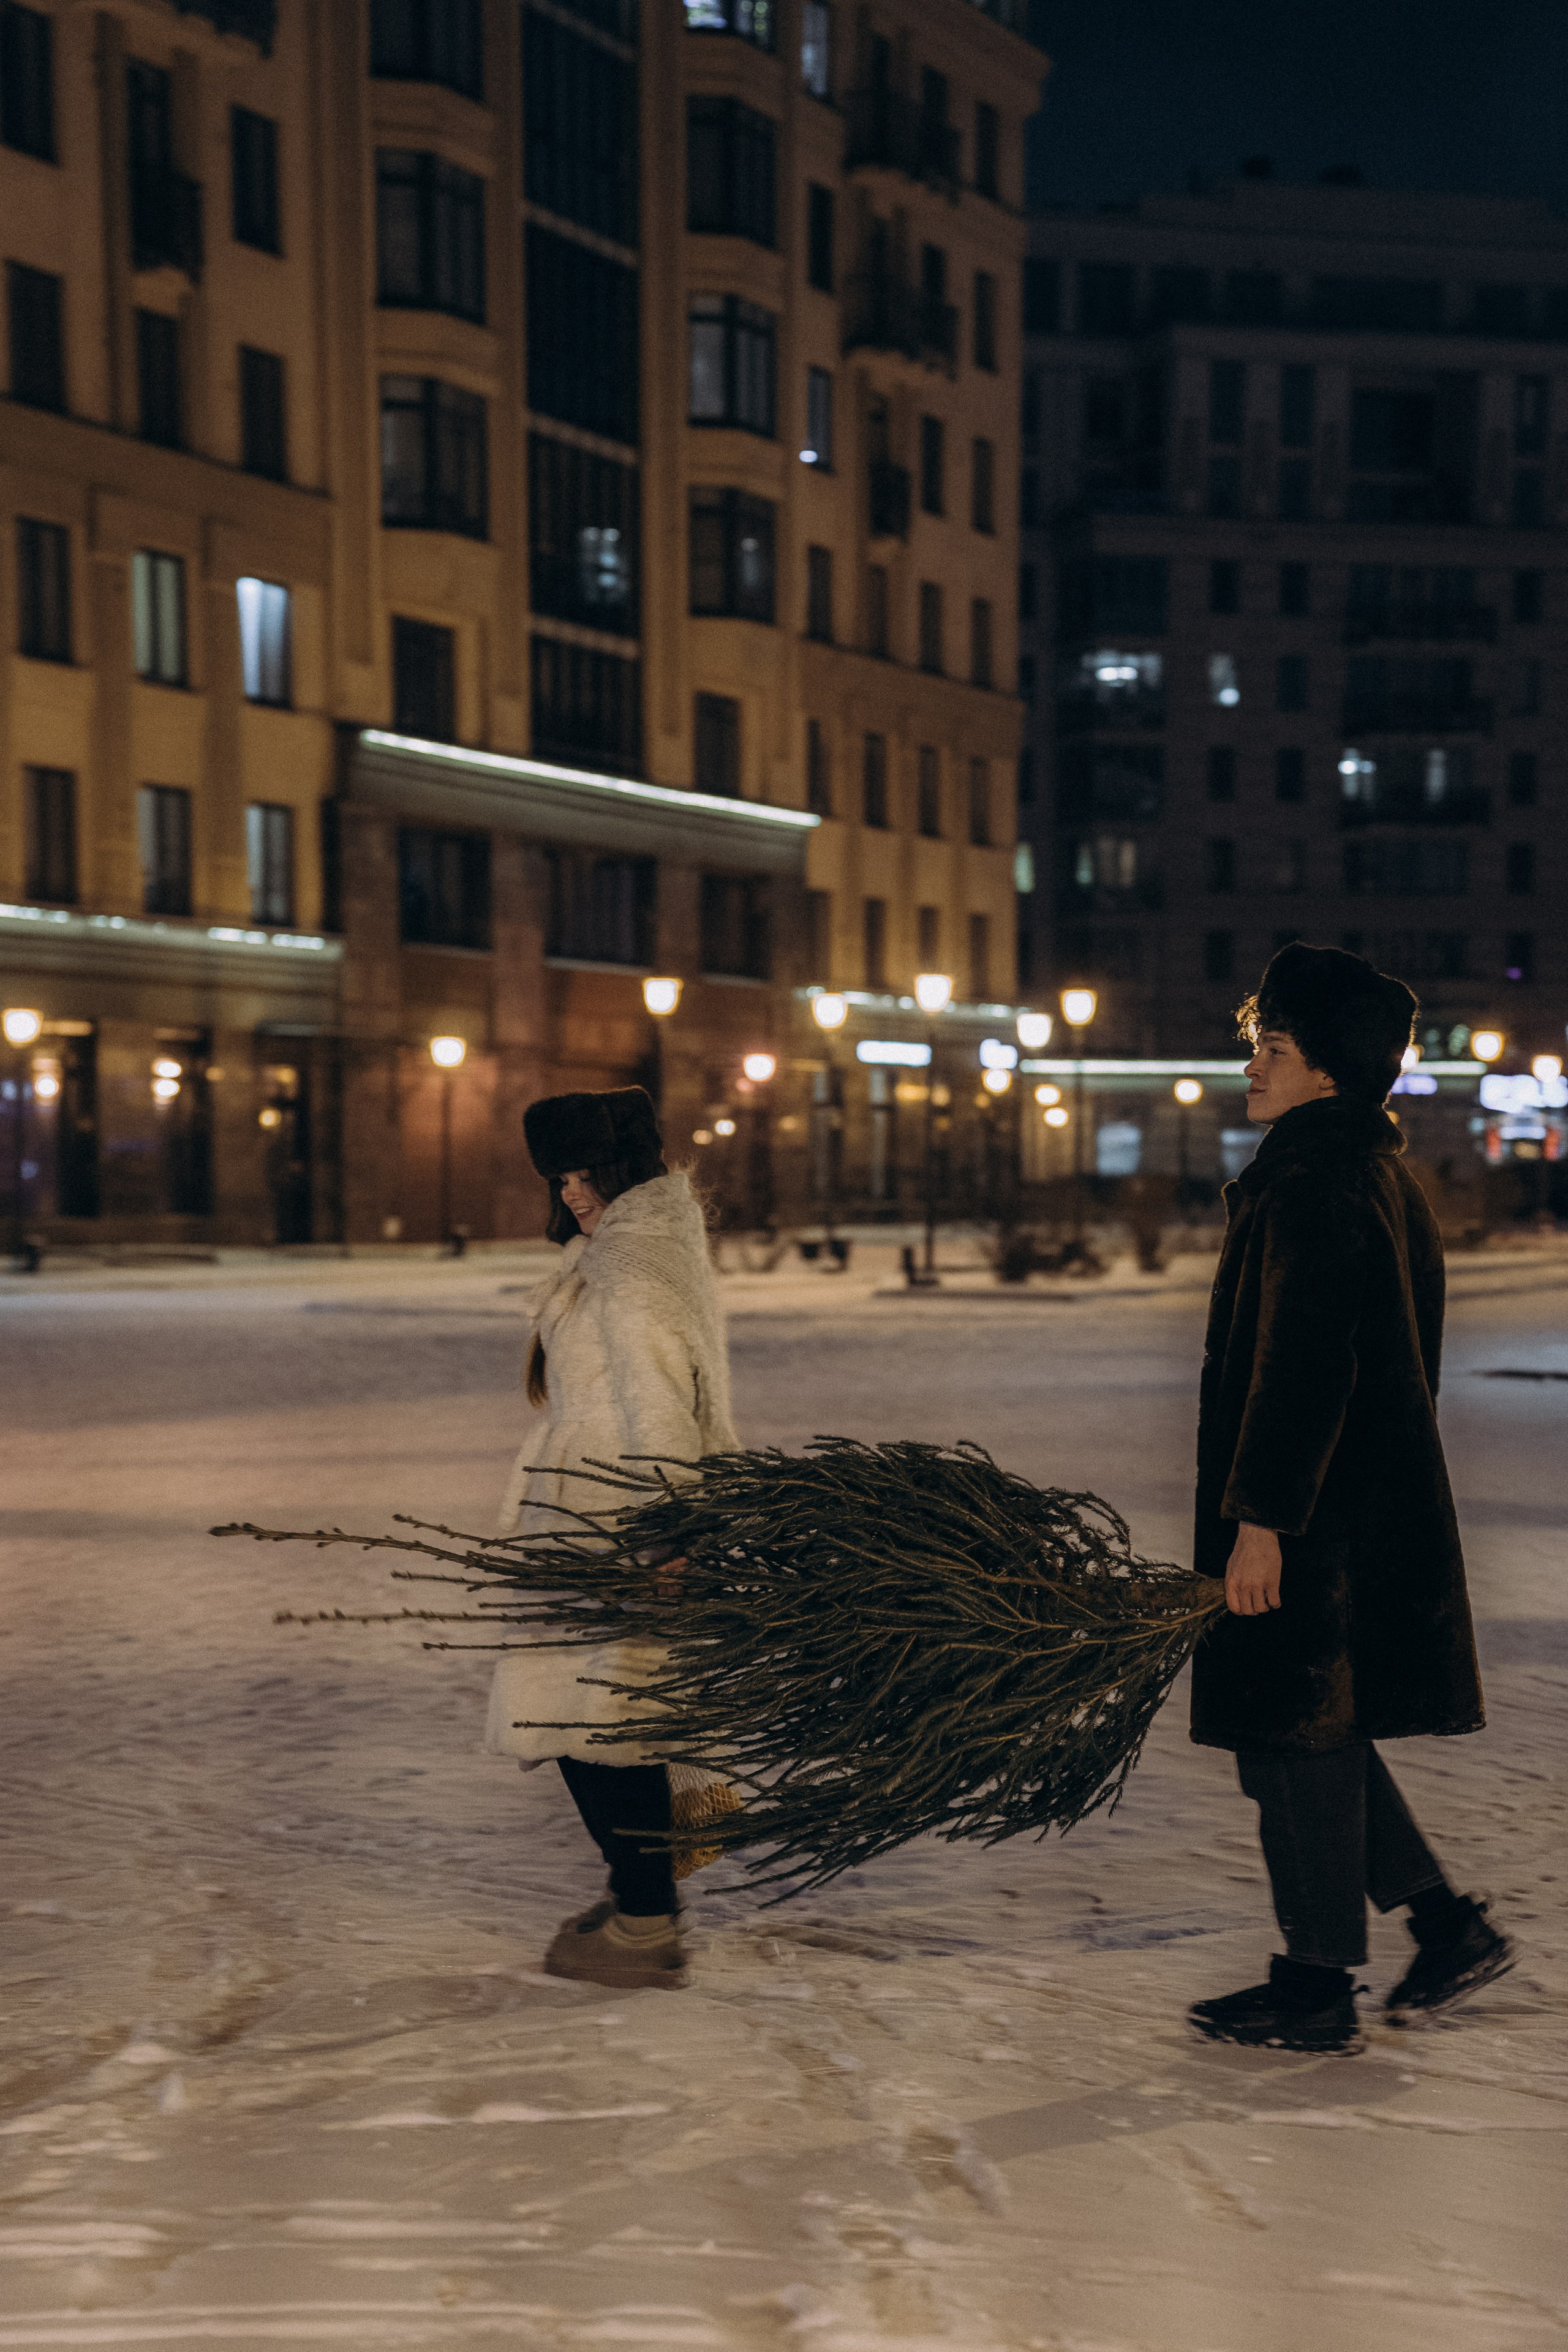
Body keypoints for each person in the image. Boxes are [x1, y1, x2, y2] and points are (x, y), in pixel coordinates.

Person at [1187, 943, 1513, 2054]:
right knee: (1299, 1734)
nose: (1253, 1068)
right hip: (1358, 1507)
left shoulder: (1318, 1180)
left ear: (1326, 1067)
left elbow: (1304, 1369)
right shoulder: (1366, 1170)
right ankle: (1443, 1923)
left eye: (1272, 1049)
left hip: (1315, 1518)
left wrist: (1262, 1524)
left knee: (1296, 1736)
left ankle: (1316, 1982)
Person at [483, 1086, 738, 1991]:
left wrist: (669, 1532)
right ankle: (638, 1895)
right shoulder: (632, 1251)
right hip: (594, 1516)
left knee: (599, 1723)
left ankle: (645, 1915)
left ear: (622, 1166)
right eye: (560, 1178)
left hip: (616, 1523)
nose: (574, 1192)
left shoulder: (632, 1271)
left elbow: (662, 1406)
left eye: (587, 1173)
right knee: (599, 1717)